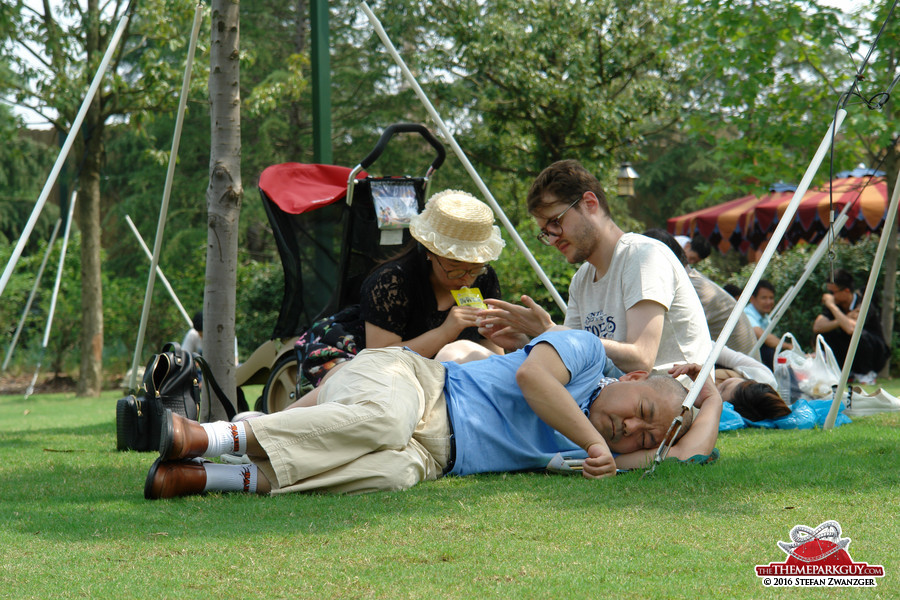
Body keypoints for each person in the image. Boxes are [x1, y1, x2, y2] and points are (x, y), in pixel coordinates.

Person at [143, 329, 723, 499]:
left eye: (644, 432)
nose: (633, 430)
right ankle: (213, 435)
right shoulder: (588, 356)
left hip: (436, 457)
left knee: (391, 472)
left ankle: (206, 476)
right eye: (642, 410)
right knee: (387, 424)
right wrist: (596, 445)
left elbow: (684, 453)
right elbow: (531, 377)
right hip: (415, 383)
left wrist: (712, 394)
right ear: (637, 377)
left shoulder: (599, 452)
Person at [478, 159, 712, 374]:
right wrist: (524, 341)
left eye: (554, 223)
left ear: (590, 203)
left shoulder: (643, 255)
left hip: (670, 404)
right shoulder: (581, 280)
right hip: (617, 401)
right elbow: (574, 359)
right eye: (545, 231)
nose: (551, 239)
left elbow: (641, 359)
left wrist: (548, 331)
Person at [297, 189, 506, 387]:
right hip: (357, 356)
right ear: (429, 252)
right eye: (454, 268)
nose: (466, 279)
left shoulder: (484, 278)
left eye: (475, 268)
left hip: (433, 375)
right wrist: (445, 332)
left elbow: (491, 350)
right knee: (353, 387)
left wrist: (497, 342)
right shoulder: (392, 282)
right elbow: (379, 359)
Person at [643, 229, 759, 360]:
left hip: (739, 372)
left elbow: (655, 337)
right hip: (735, 361)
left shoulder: (689, 288)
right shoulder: (692, 280)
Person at [812, 269, 889, 384]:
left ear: (846, 291)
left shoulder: (863, 303)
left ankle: (866, 375)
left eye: (833, 292)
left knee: (859, 334)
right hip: (849, 351)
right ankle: (839, 371)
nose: (829, 296)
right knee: (824, 333)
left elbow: (851, 329)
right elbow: (817, 326)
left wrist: (833, 307)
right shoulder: (835, 305)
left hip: (875, 353)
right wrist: (843, 318)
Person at [743, 279, 792, 370]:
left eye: (771, 298)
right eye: (764, 298)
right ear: (752, 299)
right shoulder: (747, 314)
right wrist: (789, 347)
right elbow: (766, 339)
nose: (768, 302)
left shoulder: (764, 317)